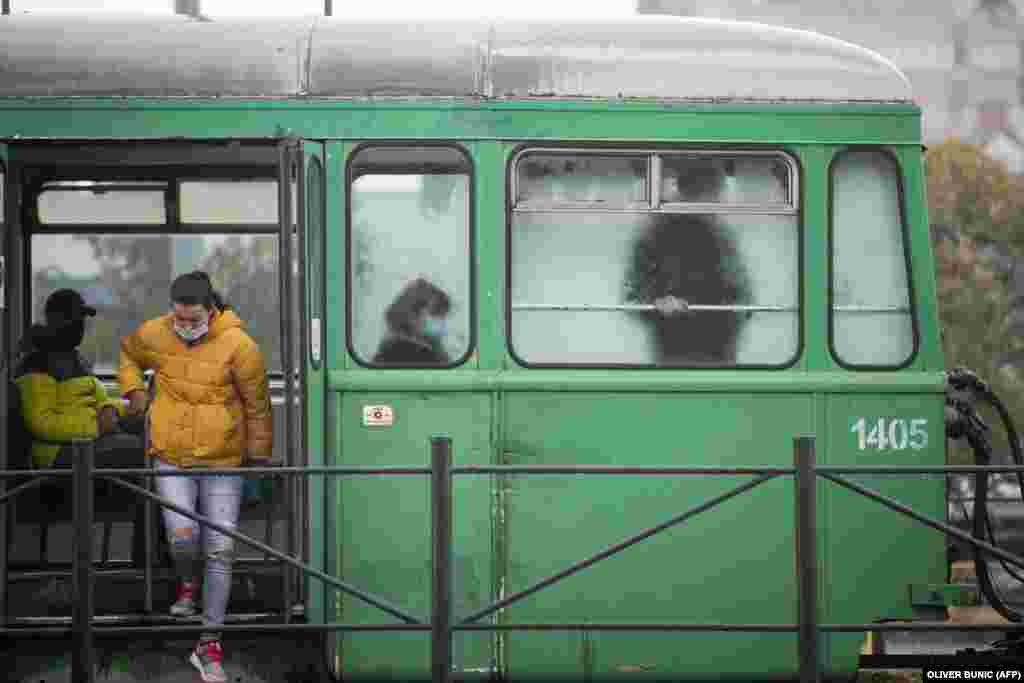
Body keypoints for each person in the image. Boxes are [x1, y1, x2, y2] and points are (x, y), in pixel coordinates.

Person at [119, 271, 272, 683]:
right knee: (182, 536)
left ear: (212, 310)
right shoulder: (155, 332)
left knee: (221, 548)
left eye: (194, 319)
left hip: (223, 462)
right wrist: (133, 389)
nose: (185, 327)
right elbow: (129, 354)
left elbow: (257, 406)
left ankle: (209, 643)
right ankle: (187, 583)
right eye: (179, 319)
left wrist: (257, 457)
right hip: (170, 458)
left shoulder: (240, 345)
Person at [14, 289, 143, 469]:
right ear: (54, 319)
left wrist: (119, 407)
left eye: (82, 319)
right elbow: (41, 423)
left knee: (153, 429)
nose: (79, 325)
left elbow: (96, 402)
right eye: (73, 318)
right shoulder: (38, 361)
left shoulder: (74, 358)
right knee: (136, 449)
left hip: (89, 438)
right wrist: (97, 427)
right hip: (59, 452)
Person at [372, 277, 452, 365]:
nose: (441, 323)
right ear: (413, 314)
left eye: (443, 317)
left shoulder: (434, 351)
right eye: (435, 313)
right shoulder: (397, 355)